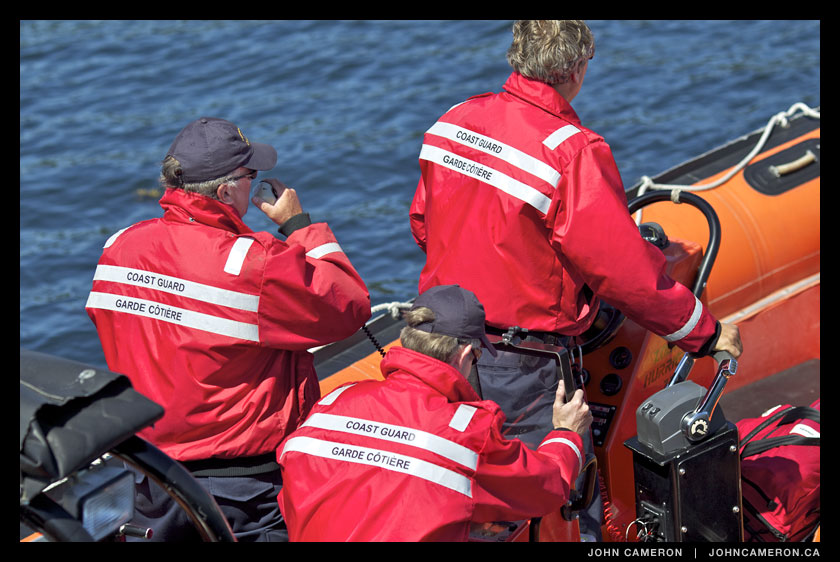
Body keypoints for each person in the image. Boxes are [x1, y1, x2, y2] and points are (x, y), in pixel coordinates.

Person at [408, 20, 742, 538]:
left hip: (437, 340)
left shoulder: (454, 121)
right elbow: (624, 273)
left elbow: (423, 223)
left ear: (517, 55)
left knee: (464, 484)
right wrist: (705, 331)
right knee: (553, 493)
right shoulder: (572, 151)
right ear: (578, 67)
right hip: (523, 363)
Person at [85, 116, 371, 541]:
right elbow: (348, 303)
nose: (255, 181)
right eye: (250, 175)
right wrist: (298, 226)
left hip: (151, 475)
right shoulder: (252, 263)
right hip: (243, 485)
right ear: (225, 191)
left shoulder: (118, 247)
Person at [276, 284, 593, 541]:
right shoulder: (468, 434)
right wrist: (566, 434)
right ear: (467, 354)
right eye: (478, 356)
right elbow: (547, 485)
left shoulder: (333, 402)